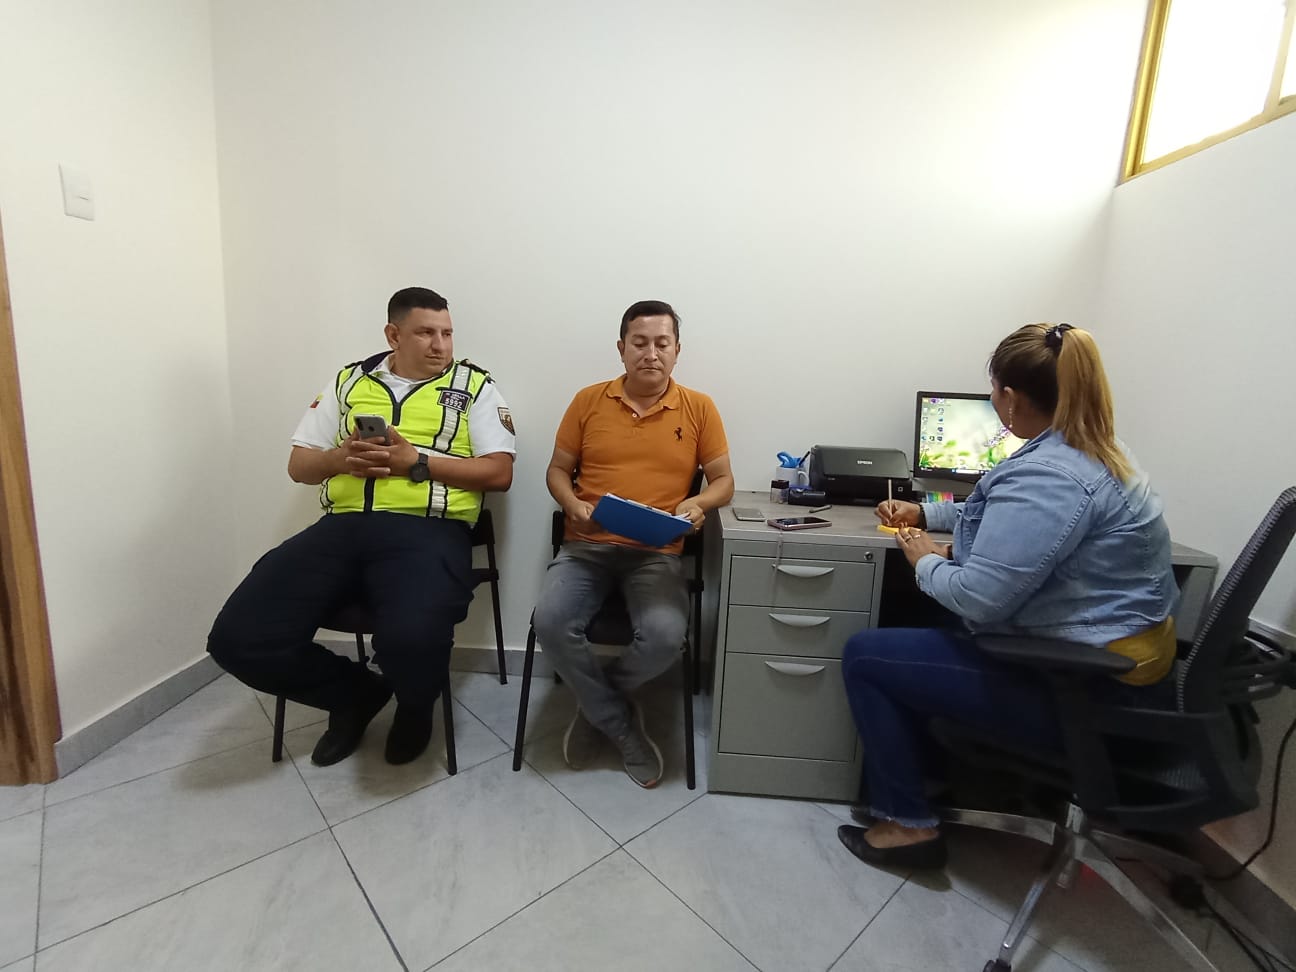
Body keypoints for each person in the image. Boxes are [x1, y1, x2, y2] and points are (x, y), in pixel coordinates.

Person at [837, 322, 1177, 870]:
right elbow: (1002, 515)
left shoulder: (1050, 475)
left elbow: (979, 599)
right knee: (927, 627)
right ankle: (926, 782)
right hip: (1124, 677)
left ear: (1012, 399)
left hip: (1088, 698)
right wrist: (926, 512)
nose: (994, 399)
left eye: (994, 390)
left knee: (866, 655)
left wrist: (924, 559)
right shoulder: (1093, 450)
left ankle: (908, 825)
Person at [208, 287, 515, 767]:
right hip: (342, 528)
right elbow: (299, 466)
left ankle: (414, 707)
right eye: (426, 333)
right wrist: (339, 458)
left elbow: (499, 473)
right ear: (394, 335)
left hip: (427, 531)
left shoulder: (474, 387)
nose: (440, 345)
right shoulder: (348, 382)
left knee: (412, 638)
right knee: (237, 638)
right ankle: (354, 695)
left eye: (447, 333)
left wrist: (417, 462)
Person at [532, 300, 734, 788]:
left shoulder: (699, 407)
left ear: (678, 350)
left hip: (655, 553)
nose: (651, 353)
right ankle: (620, 725)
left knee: (665, 637)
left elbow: (724, 481)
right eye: (639, 343)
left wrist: (698, 504)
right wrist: (571, 502)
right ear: (621, 348)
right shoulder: (588, 400)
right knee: (550, 622)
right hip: (587, 546)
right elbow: (557, 470)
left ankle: (598, 705)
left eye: (662, 343)